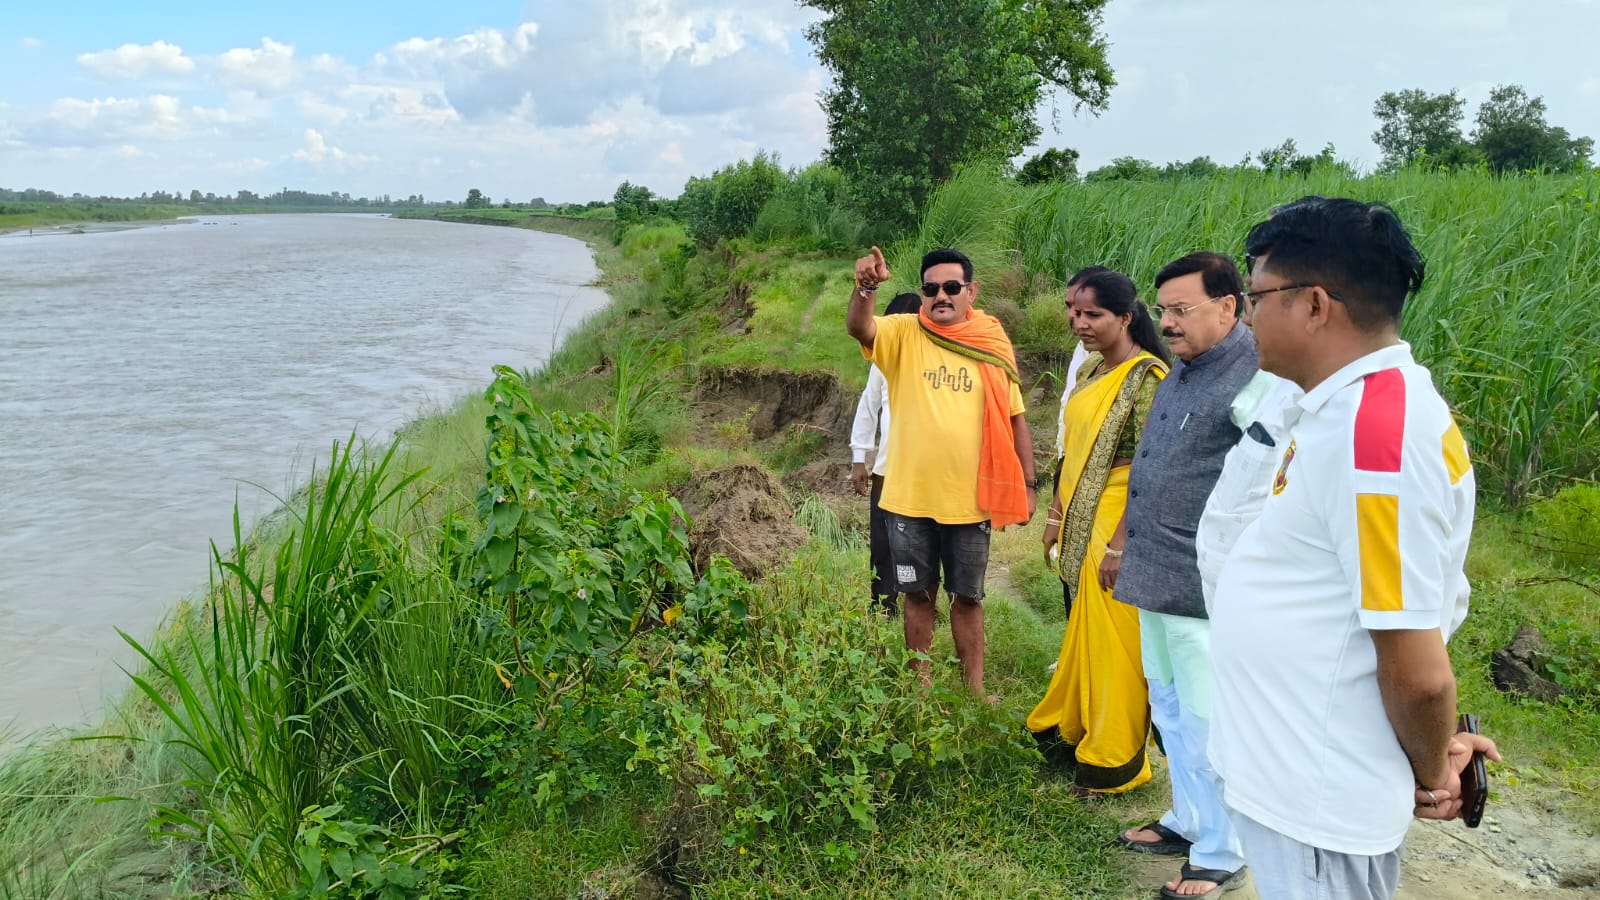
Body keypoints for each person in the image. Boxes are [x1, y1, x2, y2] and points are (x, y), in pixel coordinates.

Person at [1209, 197, 1495, 899]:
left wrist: (1435, 776)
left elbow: (1418, 668)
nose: (1248, 316)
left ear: (1314, 305)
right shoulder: (1342, 409)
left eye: (1257, 297)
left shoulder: (1376, 440)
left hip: (1318, 794)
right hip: (1295, 772)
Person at [1111, 253, 1260, 898]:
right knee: (1168, 705)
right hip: (1158, 567)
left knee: (1207, 715)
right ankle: (1189, 818)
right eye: (1162, 309)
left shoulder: (1256, 376)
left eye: (1182, 310)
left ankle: (1224, 849)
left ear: (1228, 306)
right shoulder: (1184, 369)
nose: (1166, 322)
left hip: (1207, 583)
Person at [847, 246, 1037, 696]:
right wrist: (866, 288)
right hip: (909, 501)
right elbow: (860, 326)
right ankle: (921, 689)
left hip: (971, 502)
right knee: (917, 594)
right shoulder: (904, 334)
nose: (941, 296)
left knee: (969, 597)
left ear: (971, 291)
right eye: (931, 289)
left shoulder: (991, 344)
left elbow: (1016, 421)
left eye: (952, 287)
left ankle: (974, 690)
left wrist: (1028, 486)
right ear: (921, 293)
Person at [1029, 269, 1170, 795]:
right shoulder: (1090, 372)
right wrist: (1055, 516)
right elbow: (1072, 451)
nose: (1077, 321)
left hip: (1117, 522)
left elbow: (1154, 471)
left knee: (1115, 642)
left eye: (1092, 314)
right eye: (1072, 309)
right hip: (1081, 516)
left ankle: (1115, 760)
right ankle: (1076, 728)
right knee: (1081, 633)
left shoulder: (1148, 378)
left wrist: (1120, 545)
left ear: (1126, 318)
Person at [850, 291, 926, 617]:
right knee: (882, 544)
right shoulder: (882, 360)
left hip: (924, 473)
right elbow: (868, 408)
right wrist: (859, 458)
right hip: (886, 471)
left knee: (920, 544)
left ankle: (921, 602)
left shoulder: (935, 362)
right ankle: (883, 605)